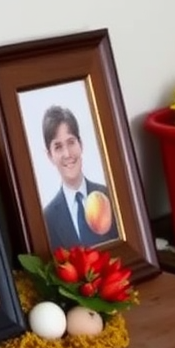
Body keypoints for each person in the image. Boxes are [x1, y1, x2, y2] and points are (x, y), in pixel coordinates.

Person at [40, 105, 115, 251]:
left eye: (71, 142)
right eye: (58, 147)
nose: (67, 154)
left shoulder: (110, 196)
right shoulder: (47, 219)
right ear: (50, 156)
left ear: (80, 144)